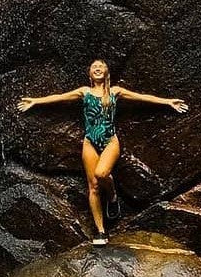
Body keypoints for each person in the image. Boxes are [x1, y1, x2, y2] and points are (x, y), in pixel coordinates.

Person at [17, 59, 188, 245]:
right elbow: (59, 97)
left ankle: (113, 195)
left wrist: (168, 102)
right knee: (93, 186)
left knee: (101, 173)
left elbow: (142, 97)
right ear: (89, 74)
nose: (97, 69)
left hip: (109, 141)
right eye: (94, 67)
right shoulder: (84, 92)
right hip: (90, 142)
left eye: (101, 67)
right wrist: (35, 101)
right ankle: (100, 231)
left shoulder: (115, 92)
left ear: (106, 72)